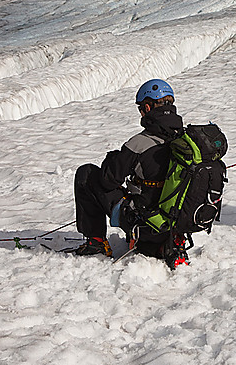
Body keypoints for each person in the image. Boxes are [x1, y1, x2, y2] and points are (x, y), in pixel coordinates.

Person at [72, 78, 190, 268]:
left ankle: (96, 244)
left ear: (148, 107)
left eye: (141, 108)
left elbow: (107, 181)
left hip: (144, 223)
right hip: (174, 223)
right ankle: (165, 244)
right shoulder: (185, 140)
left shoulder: (139, 143)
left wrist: (114, 158)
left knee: (86, 174)